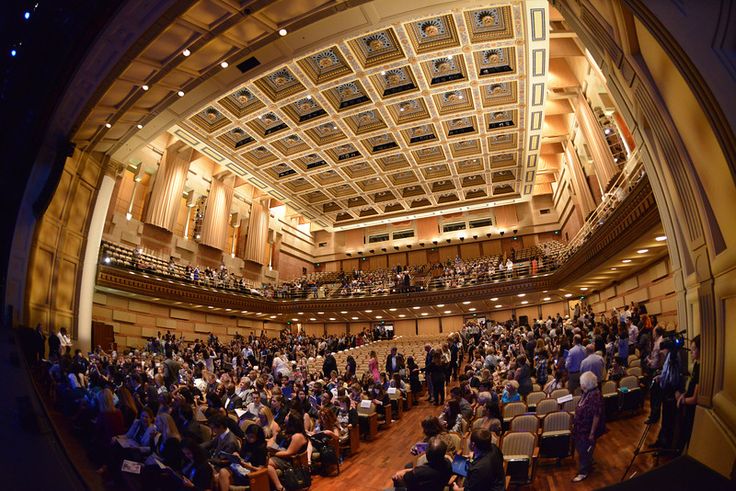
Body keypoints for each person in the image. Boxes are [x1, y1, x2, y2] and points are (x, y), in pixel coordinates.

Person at [571, 371, 605, 482]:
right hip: (581, 428)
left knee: (583, 450)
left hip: (586, 429)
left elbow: (597, 415)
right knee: (582, 449)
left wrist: (592, 433)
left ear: (586, 384)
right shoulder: (588, 392)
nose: (580, 385)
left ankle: (583, 472)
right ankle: (587, 465)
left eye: (581, 383)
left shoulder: (595, 395)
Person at [266, 410, 309, 491]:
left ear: (292, 420)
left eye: (287, 416)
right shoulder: (285, 428)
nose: (285, 416)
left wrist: (274, 453)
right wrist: (270, 445)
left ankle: (279, 487)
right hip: (281, 454)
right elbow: (274, 438)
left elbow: (289, 452)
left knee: (266, 463)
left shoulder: (297, 436)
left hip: (291, 460)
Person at [217, 423, 268, 490]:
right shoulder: (246, 443)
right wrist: (237, 455)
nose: (249, 439)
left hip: (251, 474)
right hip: (240, 469)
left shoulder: (261, 449)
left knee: (222, 474)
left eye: (252, 437)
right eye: (248, 436)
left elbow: (261, 469)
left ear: (258, 437)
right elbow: (242, 458)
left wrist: (248, 466)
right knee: (218, 475)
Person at [675, 335, 700, 451]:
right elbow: (690, 387)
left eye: (694, 349)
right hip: (687, 405)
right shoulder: (696, 365)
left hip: (693, 410)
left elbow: (695, 399)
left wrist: (681, 399)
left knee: (688, 434)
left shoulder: (701, 369)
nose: (691, 352)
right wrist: (683, 395)